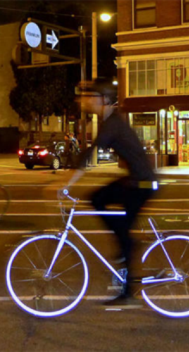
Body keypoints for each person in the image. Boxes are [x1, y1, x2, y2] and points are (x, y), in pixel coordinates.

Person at [65, 78, 157, 307]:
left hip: (144, 184)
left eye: (91, 97)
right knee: (97, 198)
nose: (85, 101)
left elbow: (91, 154)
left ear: (104, 100)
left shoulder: (112, 123)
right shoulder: (110, 121)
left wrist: (66, 185)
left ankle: (128, 290)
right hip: (134, 180)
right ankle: (124, 243)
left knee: (122, 232)